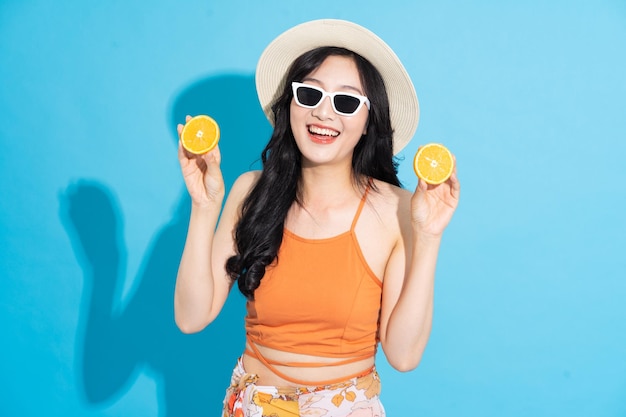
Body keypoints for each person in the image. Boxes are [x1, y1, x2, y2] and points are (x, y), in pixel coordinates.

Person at [174, 19, 460, 417]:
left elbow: (404, 355)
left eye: (346, 102)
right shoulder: (250, 191)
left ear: (367, 122)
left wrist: (428, 237)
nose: (323, 113)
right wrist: (204, 206)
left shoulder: (397, 210)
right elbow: (191, 317)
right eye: (309, 94)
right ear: (290, 105)